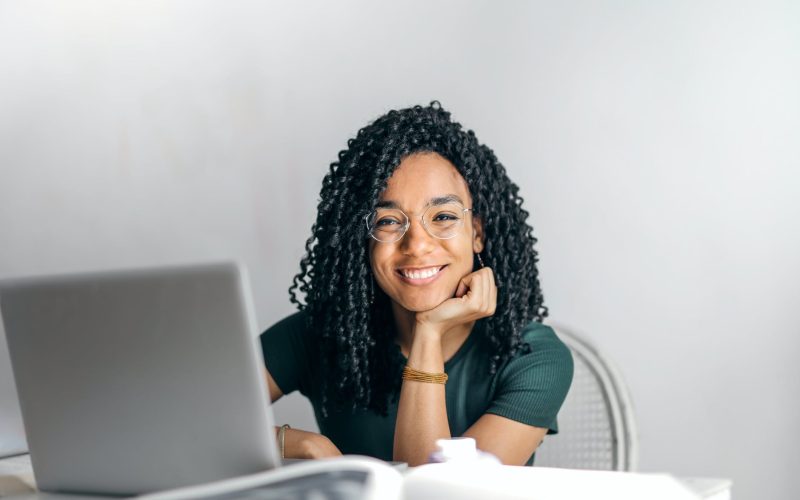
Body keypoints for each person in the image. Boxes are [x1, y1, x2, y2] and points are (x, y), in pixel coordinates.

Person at [260, 102, 573, 466]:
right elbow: (186, 421)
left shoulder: (532, 357)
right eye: (389, 222)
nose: (418, 245)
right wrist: (300, 444)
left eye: (443, 216)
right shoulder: (320, 333)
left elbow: (437, 493)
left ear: (477, 233)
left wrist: (429, 331)